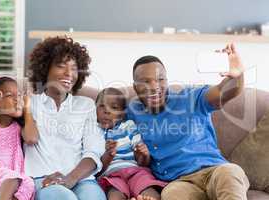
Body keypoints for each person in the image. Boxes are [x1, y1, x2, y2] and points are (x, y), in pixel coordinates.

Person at [127, 44, 250, 200]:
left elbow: (223, 93)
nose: (154, 87)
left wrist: (237, 76)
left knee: (230, 172)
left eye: (160, 79)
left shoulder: (190, 98)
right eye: (145, 82)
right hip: (179, 183)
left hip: (214, 171)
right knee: (170, 194)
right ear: (135, 88)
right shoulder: (131, 112)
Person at [25, 36, 106, 200]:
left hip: (82, 180)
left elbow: (93, 152)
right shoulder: (29, 104)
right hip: (43, 179)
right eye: (61, 66)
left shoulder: (86, 105)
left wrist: (70, 179)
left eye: (74, 68)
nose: (69, 74)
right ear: (45, 68)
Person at [96, 88, 167, 200]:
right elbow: (96, 168)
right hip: (112, 175)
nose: (106, 111)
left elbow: (143, 162)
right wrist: (109, 154)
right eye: (102, 106)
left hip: (134, 171)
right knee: (114, 196)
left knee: (148, 190)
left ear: (121, 114)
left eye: (114, 108)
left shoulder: (128, 126)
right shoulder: (94, 131)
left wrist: (143, 154)